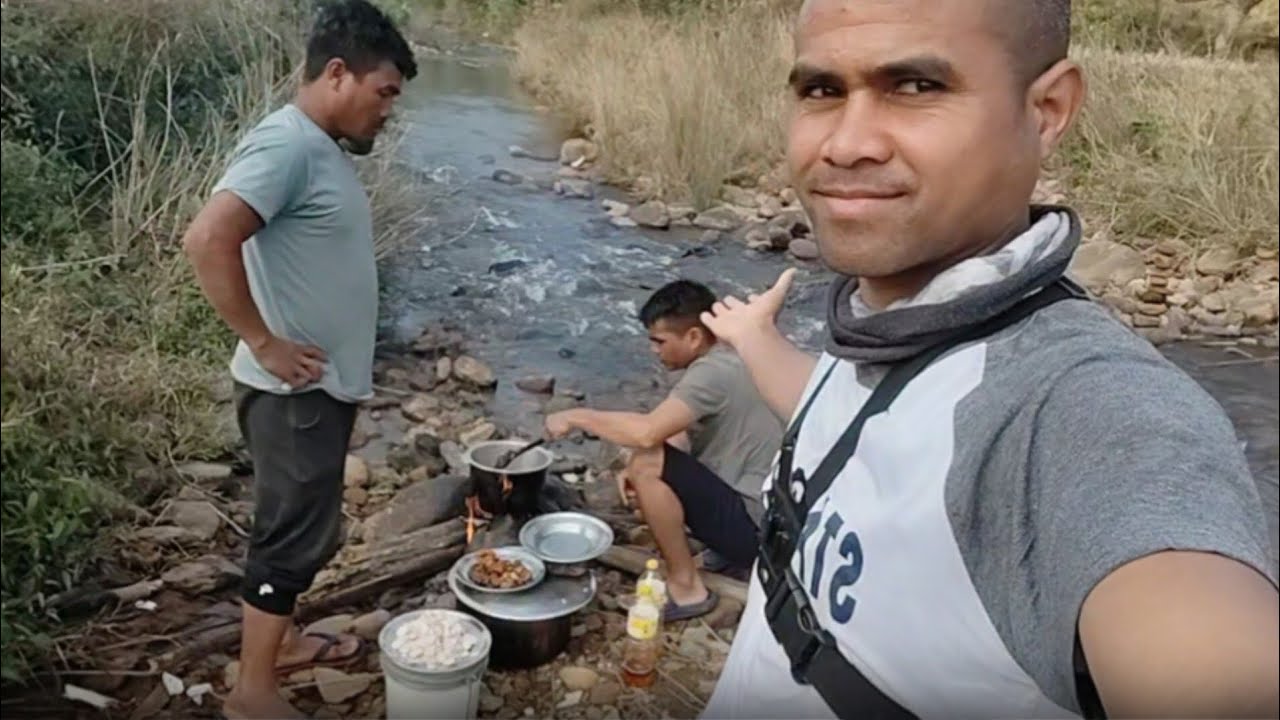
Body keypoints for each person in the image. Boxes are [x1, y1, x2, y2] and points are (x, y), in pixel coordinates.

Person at [698, 1, 1279, 718]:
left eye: (916, 87)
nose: (846, 144)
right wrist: (757, 340)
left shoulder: (1084, 414)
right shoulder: (885, 333)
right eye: (822, 90)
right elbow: (854, 418)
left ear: (1048, 109)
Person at [180, 2, 416, 717]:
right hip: (294, 394)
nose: (387, 112)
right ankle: (253, 693)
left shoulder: (317, 146)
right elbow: (207, 238)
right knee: (290, 537)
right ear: (337, 74)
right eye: (384, 93)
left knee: (303, 524)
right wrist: (264, 341)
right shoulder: (286, 145)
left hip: (314, 390)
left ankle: (276, 648)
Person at [544, 280, 783, 621]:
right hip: (778, 523)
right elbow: (679, 429)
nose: (654, 351)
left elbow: (645, 433)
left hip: (756, 533)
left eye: (660, 341)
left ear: (694, 337)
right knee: (651, 457)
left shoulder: (711, 374)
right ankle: (721, 555)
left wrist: (576, 416)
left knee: (646, 460)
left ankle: (687, 590)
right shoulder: (736, 355)